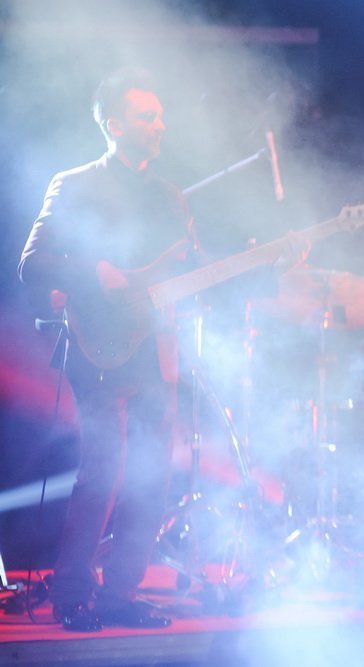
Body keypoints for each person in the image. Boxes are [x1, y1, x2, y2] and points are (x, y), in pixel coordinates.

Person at [18, 68, 308, 632]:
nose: (160, 125)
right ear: (114, 124)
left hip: (156, 346)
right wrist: (93, 271)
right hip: (97, 344)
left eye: (160, 115)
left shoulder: (170, 197)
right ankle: (72, 592)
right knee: (103, 469)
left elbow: (201, 273)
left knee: (153, 473)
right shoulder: (74, 184)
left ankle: (119, 594)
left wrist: (270, 263)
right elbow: (33, 263)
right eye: (147, 116)